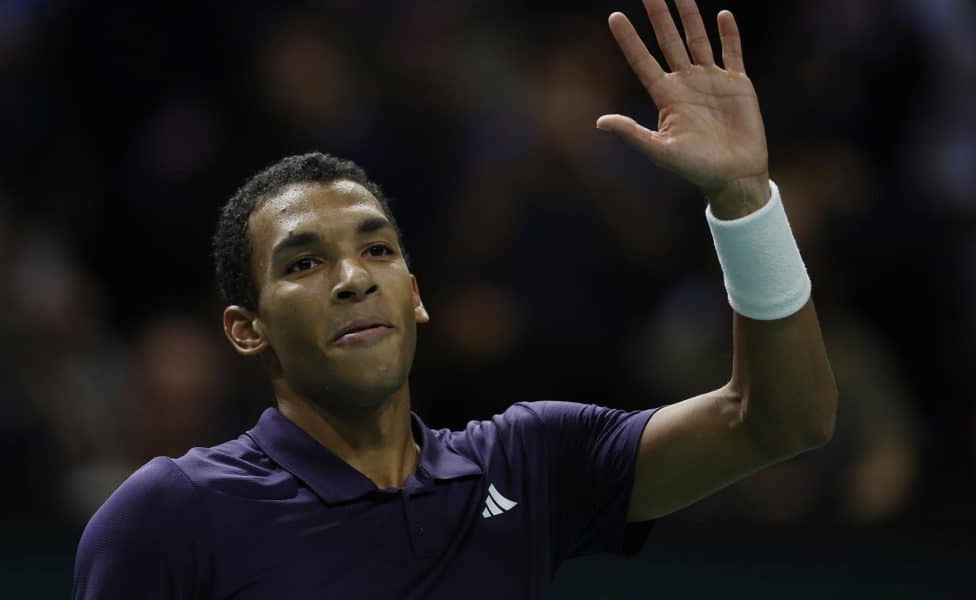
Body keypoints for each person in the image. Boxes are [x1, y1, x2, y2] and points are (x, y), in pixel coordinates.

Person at [73, 1, 838, 598]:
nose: (353, 277)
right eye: (303, 262)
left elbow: (781, 419)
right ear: (246, 330)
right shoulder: (169, 514)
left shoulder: (530, 461)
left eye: (377, 249)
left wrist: (744, 199)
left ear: (416, 297)